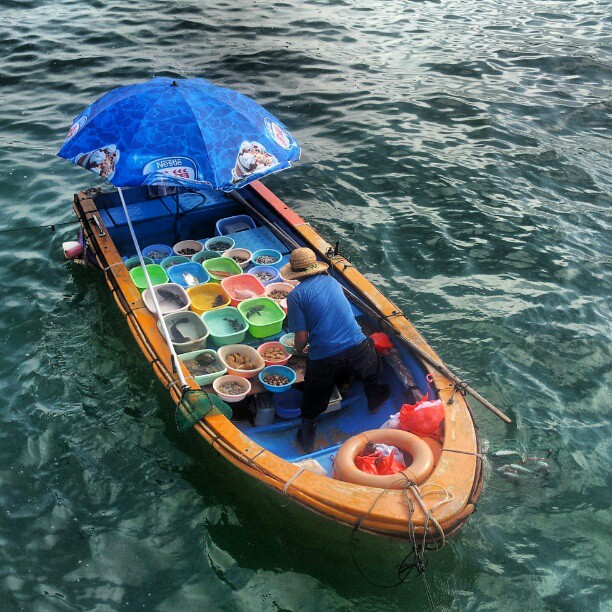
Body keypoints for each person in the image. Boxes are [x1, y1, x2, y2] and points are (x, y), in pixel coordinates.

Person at [281, 248, 390, 453]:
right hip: (357, 348)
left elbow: (302, 338)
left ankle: (306, 439)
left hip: (324, 357)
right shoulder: (332, 281)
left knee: (313, 399)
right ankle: (374, 400)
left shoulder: (295, 296)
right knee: (372, 370)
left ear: (295, 274)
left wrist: (297, 351)